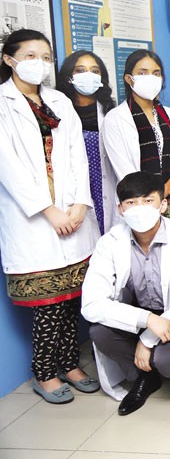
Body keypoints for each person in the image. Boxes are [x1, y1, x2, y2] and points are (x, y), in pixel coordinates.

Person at [0, 29, 100, 404]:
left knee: (73, 298)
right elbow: (7, 167)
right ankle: (44, 372)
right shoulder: (3, 103)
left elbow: (77, 156)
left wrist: (77, 205)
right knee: (49, 303)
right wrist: (50, 211)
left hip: (73, 215)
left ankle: (71, 363)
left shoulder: (58, 100)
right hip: (34, 220)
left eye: (45, 56)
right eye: (30, 56)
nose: (39, 63)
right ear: (9, 59)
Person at [81, 172, 170, 414]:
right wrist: (147, 321)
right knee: (99, 331)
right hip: (137, 315)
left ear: (163, 204)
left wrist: (147, 341)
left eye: (148, 201)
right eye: (131, 203)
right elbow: (91, 304)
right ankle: (145, 377)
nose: (139, 208)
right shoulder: (110, 242)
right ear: (120, 208)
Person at [101, 50, 170, 227]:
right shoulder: (115, 119)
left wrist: (164, 191)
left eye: (156, 73)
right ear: (129, 79)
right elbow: (125, 172)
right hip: (138, 206)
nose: (150, 78)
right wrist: (152, 198)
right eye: (142, 73)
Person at [57, 50, 117, 234]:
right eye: (80, 70)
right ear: (69, 77)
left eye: (95, 71)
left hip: (106, 182)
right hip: (74, 186)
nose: (88, 75)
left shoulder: (111, 111)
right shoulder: (58, 109)